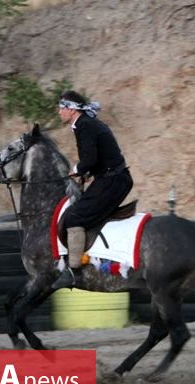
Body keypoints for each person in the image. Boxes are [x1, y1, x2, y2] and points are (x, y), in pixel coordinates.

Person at [52, 90, 133, 289]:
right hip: (111, 179)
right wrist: (85, 174)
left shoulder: (84, 126)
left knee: (73, 217)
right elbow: (99, 158)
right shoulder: (86, 124)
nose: (59, 111)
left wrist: (76, 170)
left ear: (72, 110)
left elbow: (89, 160)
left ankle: (73, 272)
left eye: (62, 108)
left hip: (112, 182)